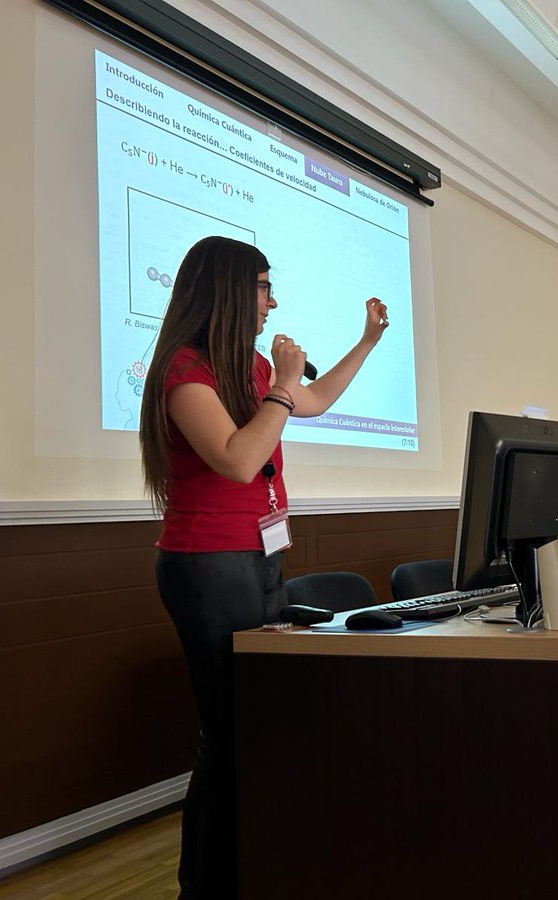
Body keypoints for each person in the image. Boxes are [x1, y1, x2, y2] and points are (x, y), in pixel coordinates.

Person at [139, 236, 389, 897]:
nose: (272, 302)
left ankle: (250, 870)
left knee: (253, 729)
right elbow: (239, 459)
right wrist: (280, 385)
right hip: (206, 565)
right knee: (227, 733)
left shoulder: (245, 366)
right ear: (227, 289)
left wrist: (365, 343)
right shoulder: (183, 371)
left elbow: (315, 401)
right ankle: (204, 883)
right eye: (262, 288)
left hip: (256, 556)